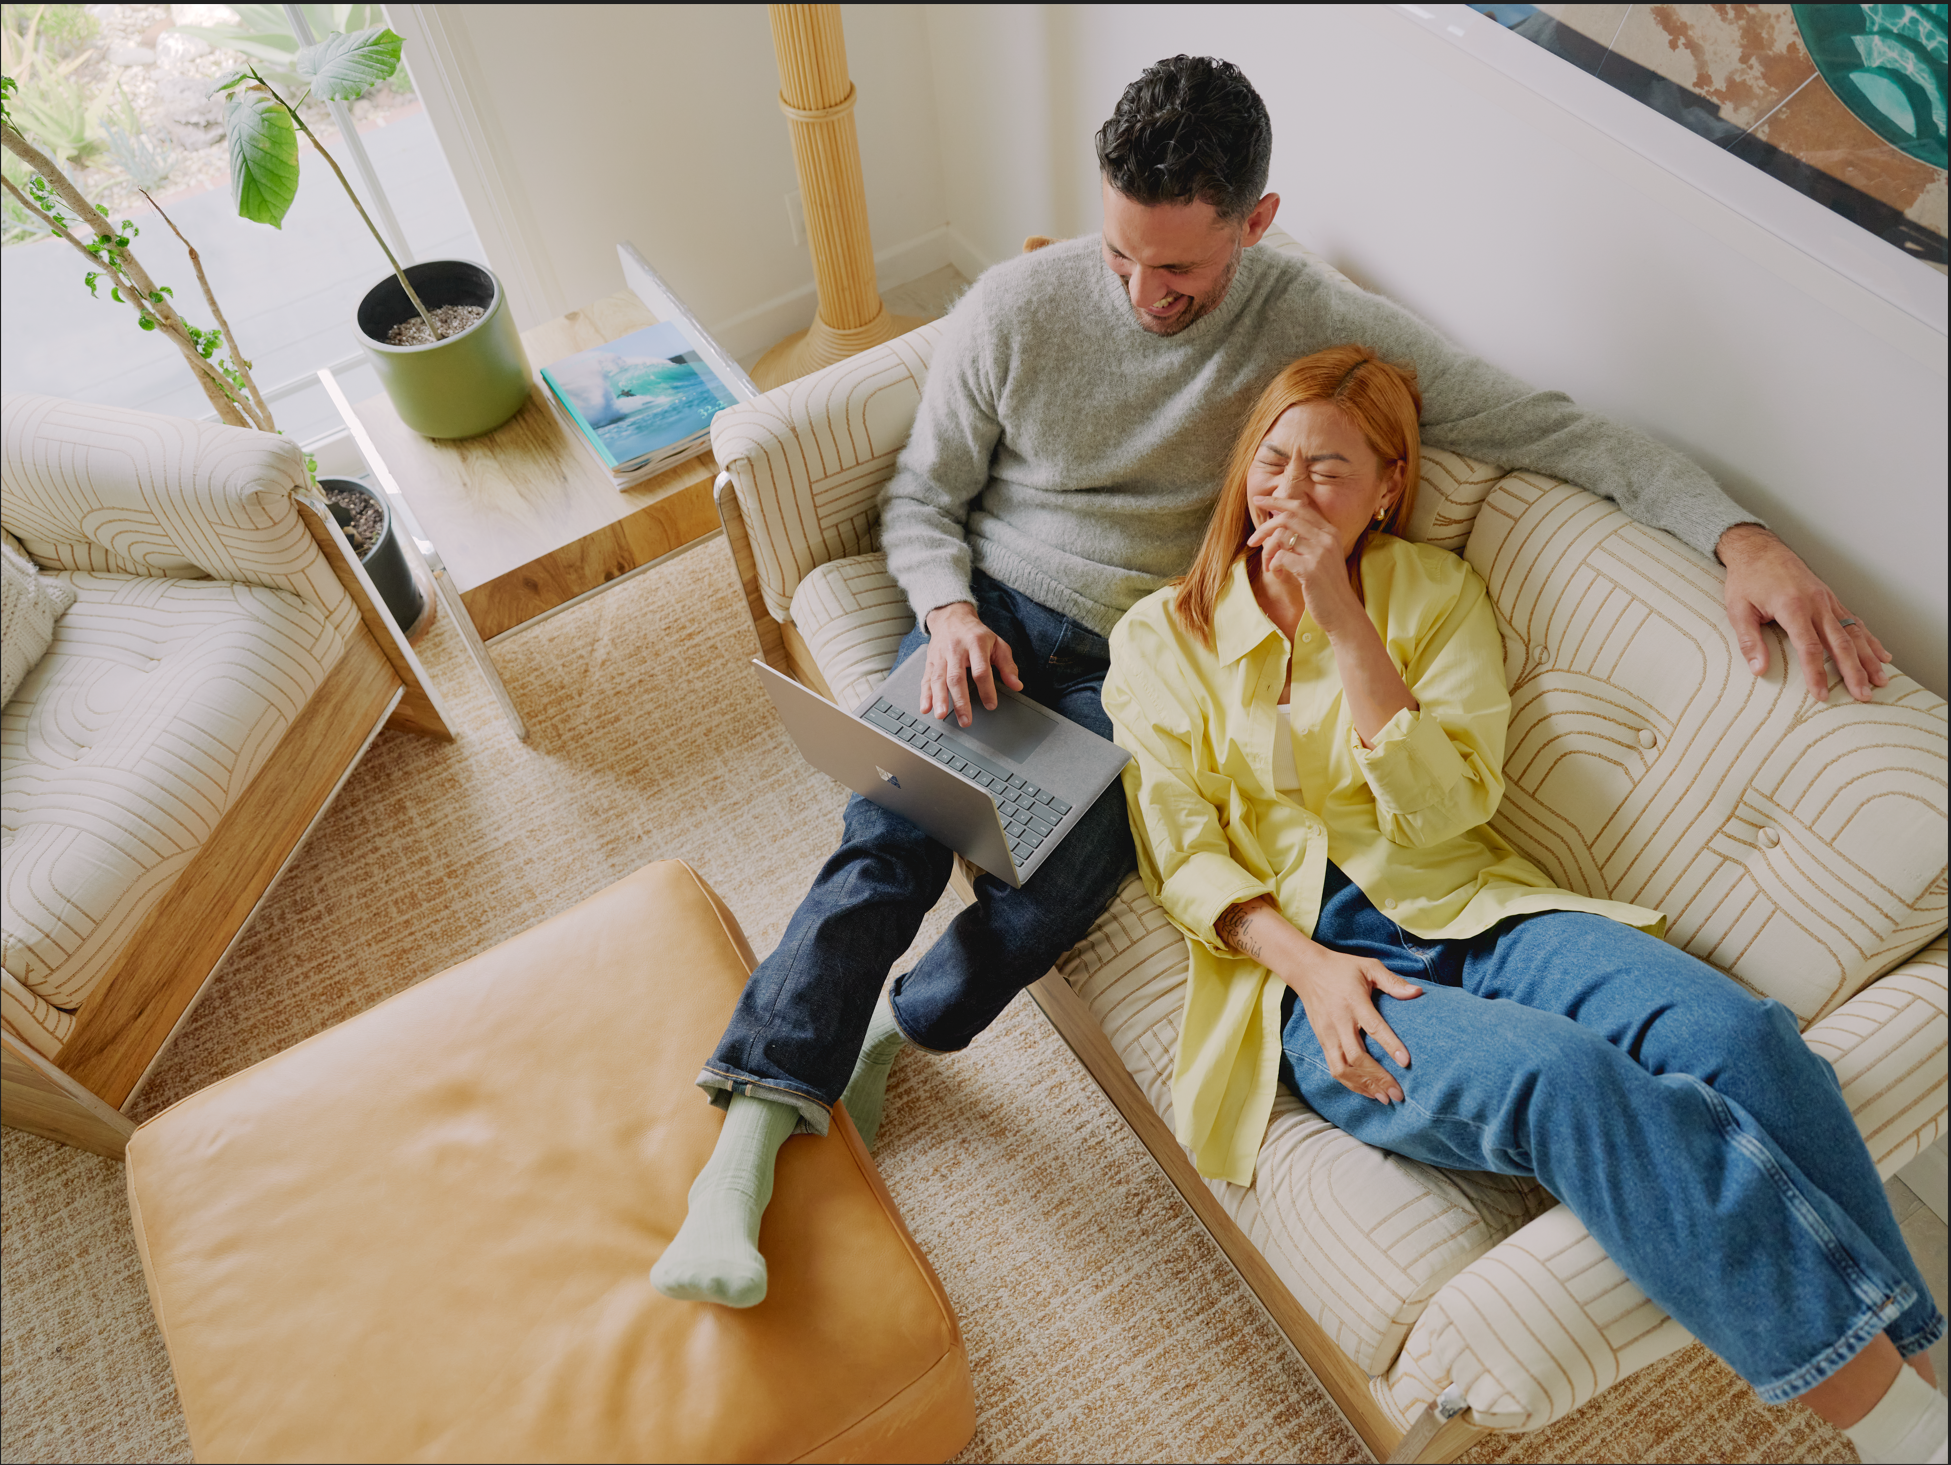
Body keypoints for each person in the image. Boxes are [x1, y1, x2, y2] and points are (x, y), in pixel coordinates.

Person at [650, 55, 1894, 1314]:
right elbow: (923, 496)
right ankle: (752, 1129)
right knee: (890, 832)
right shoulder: (1017, 307)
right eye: (1121, 254)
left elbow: (1547, 426)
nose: (1142, 294)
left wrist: (1738, 536)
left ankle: (898, 1025)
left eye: (1178, 271)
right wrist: (949, 611)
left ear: (1257, 223)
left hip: (1145, 662)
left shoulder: (1308, 325)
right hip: (994, 613)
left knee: (1065, 876)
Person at [1100, 344, 1943, 1464]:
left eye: (1329, 470)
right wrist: (1309, 969)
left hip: (1472, 907)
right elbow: (1179, 848)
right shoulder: (1160, 636)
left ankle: (1919, 1394)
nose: (1290, 491)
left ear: (1387, 488)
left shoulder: (1433, 594)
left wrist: (1345, 620)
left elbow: (1447, 807)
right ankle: (1897, 1428)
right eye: (1274, 460)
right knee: (1563, 1079)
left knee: (1740, 1036)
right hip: (1311, 968)